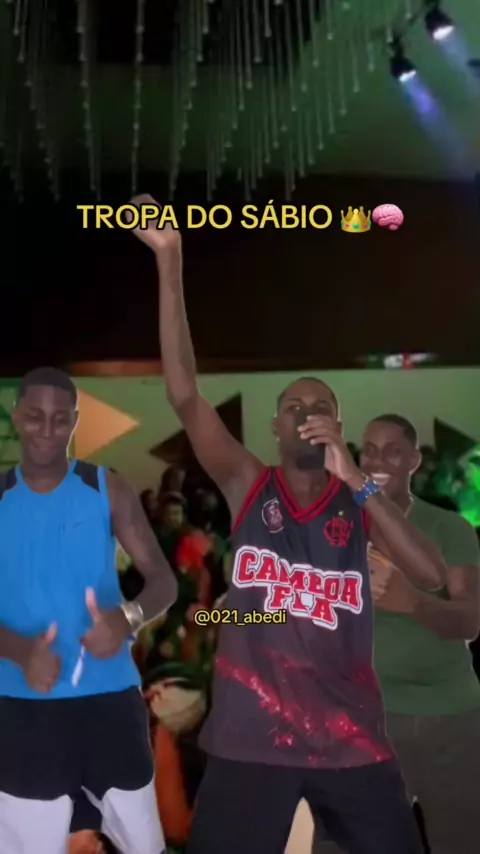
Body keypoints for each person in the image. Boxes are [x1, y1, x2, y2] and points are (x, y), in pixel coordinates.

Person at [131, 194, 447, 854]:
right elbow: (184, 394)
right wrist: (170, 261)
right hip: (252, 741)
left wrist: (355, 478)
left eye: (319, 405)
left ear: (336, 424)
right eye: (293, 406)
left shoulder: (358, 500)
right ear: (275, 426)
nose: (305, 412)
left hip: (350, 741)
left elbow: (431, 574)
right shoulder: (248, 483)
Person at [0, 366, 178, 854]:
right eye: (35, 416)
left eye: (60, 418)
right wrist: (20, 651)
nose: (47, 429)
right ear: (16, 416)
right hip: (23, 706)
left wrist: (128, 617)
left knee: (144, 845)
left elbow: (163, 581)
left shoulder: (106, 488)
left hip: (109, 700)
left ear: (75, 421)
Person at [360, 414, 480, 854]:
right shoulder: (341, 527)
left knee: (459, 842)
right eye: (369, 451)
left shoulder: (449, 528)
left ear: (414, 460)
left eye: (393, 451)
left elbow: (470, 621)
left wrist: (411, 601)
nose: (378, 461)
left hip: (450, 718)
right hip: (370, 718)